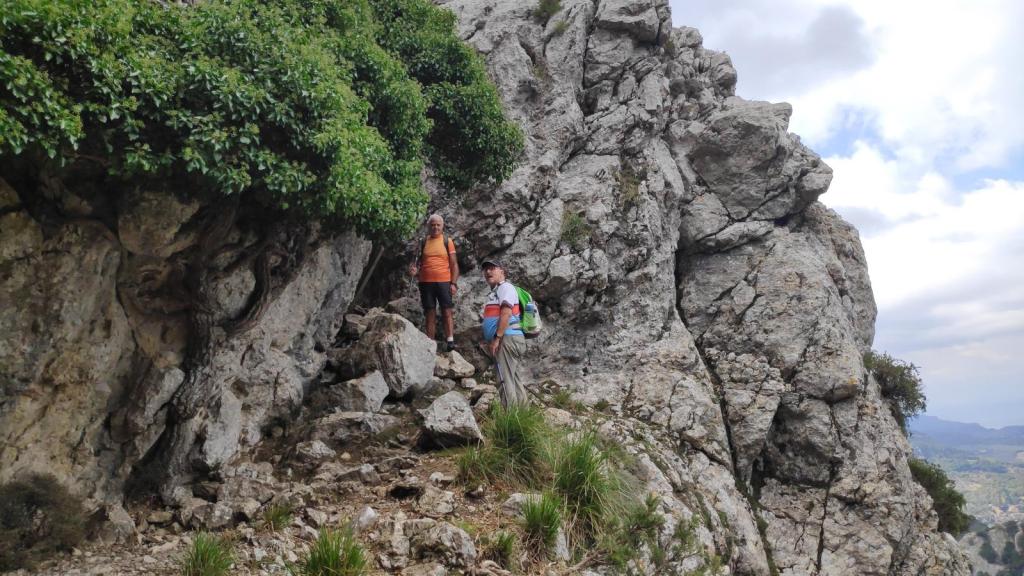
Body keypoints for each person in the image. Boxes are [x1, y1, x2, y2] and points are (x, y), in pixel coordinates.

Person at [479, 258, 529, 407]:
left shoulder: (505, 288)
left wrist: (497, 338)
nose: (488, 271)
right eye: (486, 269)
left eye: (492, 268)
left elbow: (506, 313)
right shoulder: (497, 291)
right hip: (511, 338)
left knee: (504, 380)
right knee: (514, 379)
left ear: (502, 271)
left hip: (507, 339)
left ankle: (510, 420)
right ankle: (523, 416)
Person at [409, 214, 459, 351]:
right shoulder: (423, 242)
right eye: (432, 225)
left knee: (446, 310)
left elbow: (454, 264)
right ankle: (430, 343)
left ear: (442, 226)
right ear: (428, 227)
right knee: (429, 312)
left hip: (444, 281)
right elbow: (417, 263)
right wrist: (414, 271)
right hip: (426, 282)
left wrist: (453, 283)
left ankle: (450, 341)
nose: (435, 227)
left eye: (438, 225)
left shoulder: (447, 241)